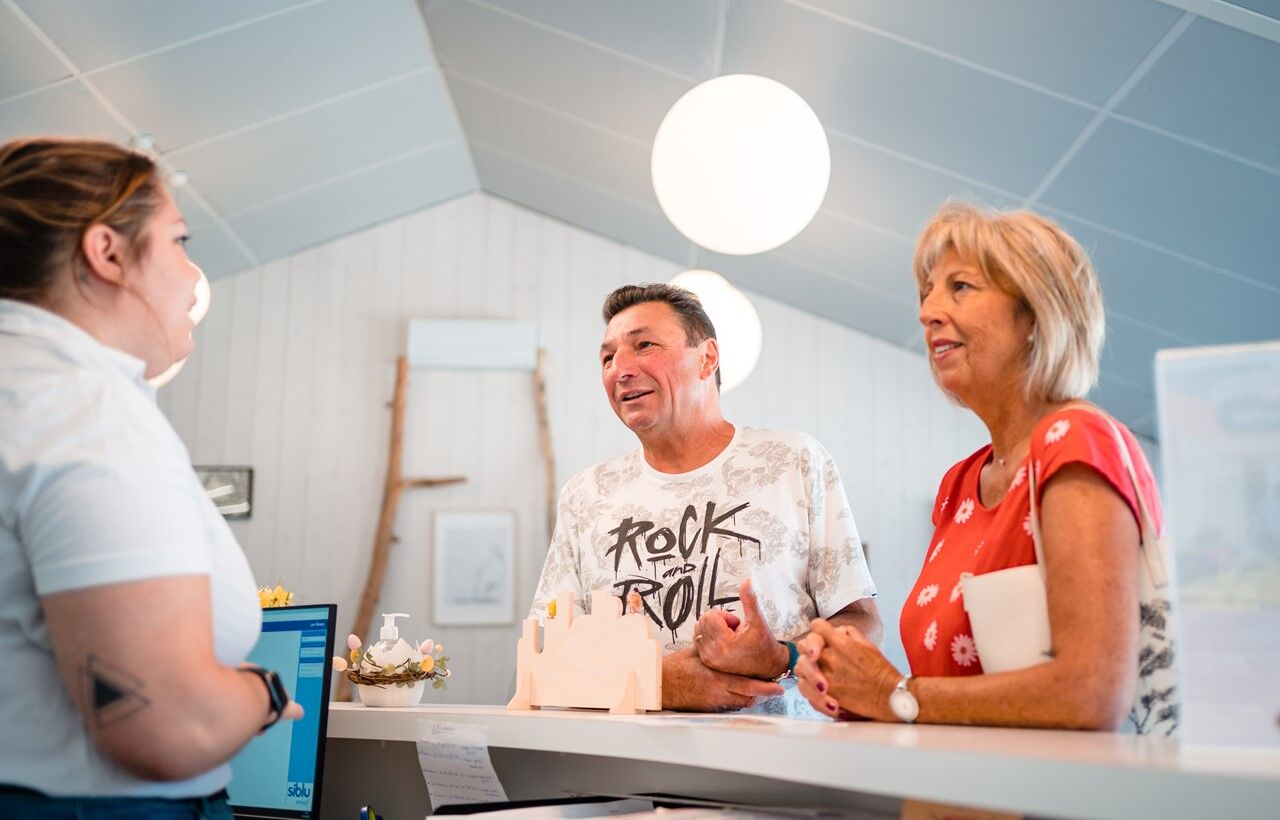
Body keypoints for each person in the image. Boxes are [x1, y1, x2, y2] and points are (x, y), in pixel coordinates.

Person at [0, 137, 302, 817]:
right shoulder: (85, 411)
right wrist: (265, 693)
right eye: (178, 241)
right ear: (106, 253)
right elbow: (169, 725)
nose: (194, 279)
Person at [794, 202, 1178, 735]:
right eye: (927, 291)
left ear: (1036, 312)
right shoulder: (960, 483)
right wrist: (854, 687)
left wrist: (895, 694)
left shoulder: (1076, 441)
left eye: (961, 287)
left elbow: (1091, 693)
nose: (928, 311)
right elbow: (950, 691)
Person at [531, 283, 882, 711]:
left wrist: (780, 657)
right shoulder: (585, 495)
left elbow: (861, 622)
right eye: (607, 357)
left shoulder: (794, 461)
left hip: (783, 763)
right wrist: (656, 683)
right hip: (624, 767)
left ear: (707, 357)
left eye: (644, 345)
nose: (619, 369)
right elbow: (546, 654)